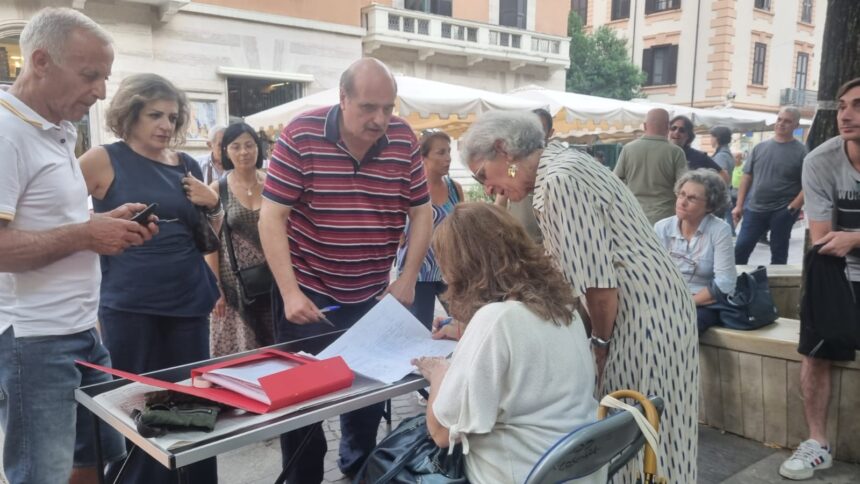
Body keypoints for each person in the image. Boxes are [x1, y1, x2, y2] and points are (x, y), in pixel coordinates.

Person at [459, 110, 698, 483]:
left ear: (503, 151)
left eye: (482, 176)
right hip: (654, 309)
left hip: (639, 318)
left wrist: (598, 346)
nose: (488, 188)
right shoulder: (563, 166)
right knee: (656, 433)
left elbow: (599, 288)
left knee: (640, 432)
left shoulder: (558, 180)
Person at [0, 8, 156, 484]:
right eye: (91, 75)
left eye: (105, 77)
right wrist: (87, 235)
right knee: (43, 473)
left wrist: (101, 223)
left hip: (80, 331)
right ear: (41, 61)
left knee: (91, 460)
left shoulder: (56, 130)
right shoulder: (6, 133)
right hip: (34, 340)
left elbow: (48, 222)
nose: (102, 91)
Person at [258, 58, 432, 483]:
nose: (380, 119)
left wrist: (407, 279)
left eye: (388, 108)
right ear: (343, 99)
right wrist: (290, 293)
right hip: (311, 298)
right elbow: (271, 218)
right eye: (369, 107)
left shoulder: (404, 139)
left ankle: (357, 478)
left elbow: (422, 213)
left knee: (365, 409)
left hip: (373, 298)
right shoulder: (301, 134)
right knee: (302, 412)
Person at [79, 73, 221, 483]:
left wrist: (214, 204)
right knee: (138, 405)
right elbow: (56, 214)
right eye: (155, 115)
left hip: (188, 300)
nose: (165, 125)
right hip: (130, 304)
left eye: (173, 117)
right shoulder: (103, 158)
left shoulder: (187, 164)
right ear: (130, 114)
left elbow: (207, 235)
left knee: (188, 403)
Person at [412, 202, 604, 484]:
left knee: (386, 463)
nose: (443, 278)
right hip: (579, 470)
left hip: (521, 474)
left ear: (466, 268)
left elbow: (441, 432)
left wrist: (439, 373)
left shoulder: (496, 320)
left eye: (446, 266)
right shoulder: (564, 309)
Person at [779, 78, 860, 480]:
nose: (846, 114)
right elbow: (824, 240)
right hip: (837, 272)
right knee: (814, 352)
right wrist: (846, 241)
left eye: (858, 106)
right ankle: (817, 444)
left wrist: (857, 236)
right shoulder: (821, 161)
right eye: (843, 105)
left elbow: (846, 239)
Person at [205, 122, 274, 356]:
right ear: (225, 151)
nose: (244, 152)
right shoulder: (216, 189)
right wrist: (216, 289)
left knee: (276, 349)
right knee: (241, 355)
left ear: (258, 148)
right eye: (235, 146)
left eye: (249, 145)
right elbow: (209, 244)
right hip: (233, 285)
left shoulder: (273, 183)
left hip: (273, 281)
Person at [395, 130, 462, 328]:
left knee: (462, 324)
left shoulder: (455, 188)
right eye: (441, 153)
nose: (448, 158)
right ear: (422, 157)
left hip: (448, 271)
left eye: (449, 152)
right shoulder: (409, 190)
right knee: (418, 329)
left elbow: (461, 228)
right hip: (418, 273)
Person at [654, 169, 736, 333]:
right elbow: (652, 272)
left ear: (710, 205)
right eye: (682, 194)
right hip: (666, 297)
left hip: (702, 302)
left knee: (680, 325)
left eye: (691, 198)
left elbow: (725, 282)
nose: (682, 202)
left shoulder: (720, 230)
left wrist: (686, 302)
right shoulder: (662, 227)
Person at [733, 106, 807, 264]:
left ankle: (776, 289)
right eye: (779, 119)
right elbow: (747, 177)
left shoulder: (802, 152)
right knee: (740, 249)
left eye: (787, 121)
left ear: (796, 125)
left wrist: (793, 207)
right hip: (754, 209)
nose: (781, 123)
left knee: (779, 255)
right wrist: (739, 205)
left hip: (783, 211)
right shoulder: (759, 147)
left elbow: (808, 184)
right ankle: (736, 286)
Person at [614, 108, 688, 224]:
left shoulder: (628, 149)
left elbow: (615, 180)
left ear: (644, 126)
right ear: (667, 127)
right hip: (665, 217)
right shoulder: (676, 152)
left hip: (633, 213)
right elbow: (684, 186)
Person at [494, 107, 555, 244]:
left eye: (541, 129)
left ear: (550, 133)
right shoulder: (513, 163)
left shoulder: (556, 165)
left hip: (550, 243)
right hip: (520, 242)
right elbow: (501, 200)